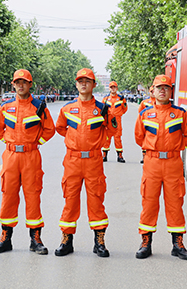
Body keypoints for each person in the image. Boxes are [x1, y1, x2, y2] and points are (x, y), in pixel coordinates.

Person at [0, 69, 55, 255]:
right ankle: (5, 238)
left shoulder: (39, 106)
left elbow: (49, 130)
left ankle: (35, 240)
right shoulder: (6, 106)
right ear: (13, 84)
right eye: (17, 82)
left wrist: (35, 143)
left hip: (31, 156)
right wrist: (9, 143)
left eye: (24, 82)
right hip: (10, 157)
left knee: (33, 195)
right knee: (8, 195)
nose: (20, 85)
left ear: (30, 84)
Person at [134, 74, 187, 260]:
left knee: (175, 204)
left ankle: (178, 244)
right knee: (149, 203)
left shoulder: (181, 114)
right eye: (159, 87)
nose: (162, 90)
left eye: (166, 87)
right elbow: (139, 137)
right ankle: (146, 243)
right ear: (152, 90)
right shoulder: (145, 114)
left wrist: (174, 149)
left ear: (171, 91)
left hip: (173, 163)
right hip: (152, 163)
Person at [54, 68, 113, 258]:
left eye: (88, 81)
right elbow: (61, 128)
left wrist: (94, 145)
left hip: (94, 160)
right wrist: (75, 145)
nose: (83, 84)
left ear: (94, 85)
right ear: (76, 84)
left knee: (96, 200)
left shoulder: (103, 109)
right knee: (70, 200)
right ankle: (67, 240)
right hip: (72, 160)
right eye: (80, 80)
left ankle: (99, 241)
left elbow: (111, 130)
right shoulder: (67, 109)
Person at [101, 81, 128, 163]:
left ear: (117, 88)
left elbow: (125, 109)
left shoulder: (121, 98)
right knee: (106, 139)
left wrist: (119, 115)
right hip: (108, 121)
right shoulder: (105, 99)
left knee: (118, 138)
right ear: (109, 88)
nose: (113, 89)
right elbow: (102, 110)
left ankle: (119, 156)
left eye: (114, 87)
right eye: (111, 87)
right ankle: (104, 155)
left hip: (117, 121)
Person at [137, 85, 155, 164]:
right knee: (145, 140)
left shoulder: (161, 102)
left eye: (154, 91)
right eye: (151, 91)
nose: (153, 93)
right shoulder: (145, 102)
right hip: (147, 124)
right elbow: (140, 112)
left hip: (157, 124)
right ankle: (144, 157)